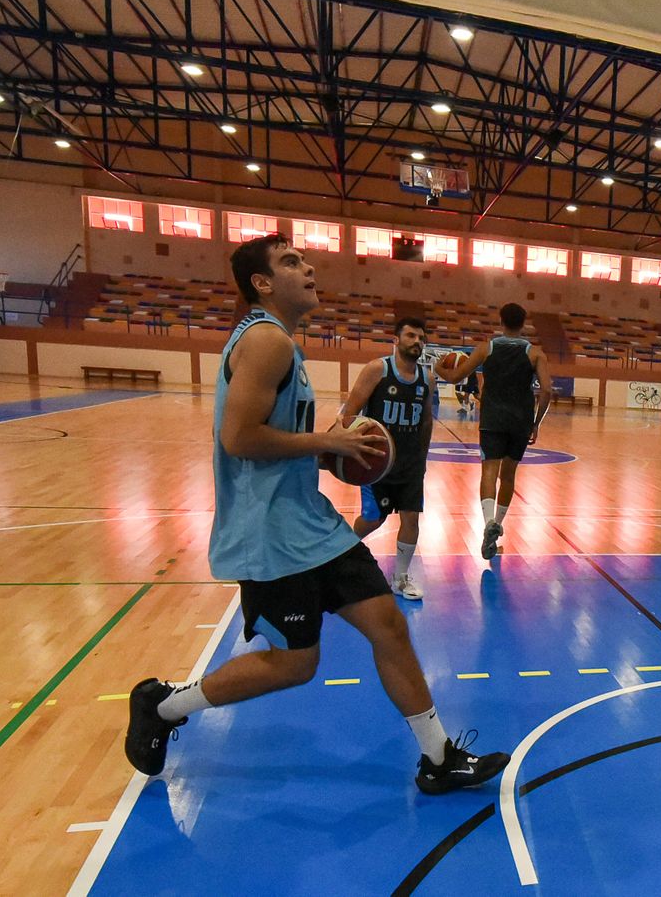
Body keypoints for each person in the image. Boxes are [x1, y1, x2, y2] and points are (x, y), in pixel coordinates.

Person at [125, 235, 508, 796]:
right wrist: (327, 442)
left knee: (388, 625)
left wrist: (329, 453)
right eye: (290, 262)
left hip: (311, 522)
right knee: (294, 664)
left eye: (303, 259)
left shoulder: (281, 342)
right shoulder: (266, 341)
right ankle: (163, 706)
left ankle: (438, 758)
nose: (308, 267)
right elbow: (239, 438)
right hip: (269, 533)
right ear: (262, 283)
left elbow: (274, 438)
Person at [437, 302, 551, 560]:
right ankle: (497, 525)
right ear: (524, 324)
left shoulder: (485, 348)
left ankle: (488, 521)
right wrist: (536, 423)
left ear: (501, 322)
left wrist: (437, 368)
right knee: (508, 476)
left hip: (492, 420)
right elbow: (546, 390)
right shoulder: (535, 354)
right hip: (520, 421)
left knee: (489, 472)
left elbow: (455, 377)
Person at [341, 317, 437, 600]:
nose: (417, 341)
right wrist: (351, 449)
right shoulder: (378, 370)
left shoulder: (427, 379)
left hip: (411, 463)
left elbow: (426, 421)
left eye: (421, 338)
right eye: (411, 336)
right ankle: (339, 552)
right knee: (374, 519)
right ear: (396, 340)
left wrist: (422, 458)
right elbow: (350, 413)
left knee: (411, 518)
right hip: (378, 463)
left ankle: (401, 578)